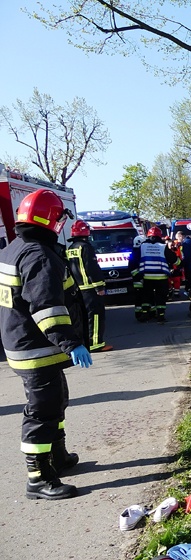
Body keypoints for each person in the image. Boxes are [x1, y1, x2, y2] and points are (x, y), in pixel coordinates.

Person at [0, 189, 92, 500]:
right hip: (36, 348)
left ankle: (58, 456)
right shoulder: (39, 256)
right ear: (52, 219)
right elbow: (46, 307)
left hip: (24, 343)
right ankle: (38, 477)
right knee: (42, 411)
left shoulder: (14, 248)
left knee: (56, 400)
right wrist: (71, 342)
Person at [66, 219, 112, 352]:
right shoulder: (86, 247)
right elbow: (92, 268)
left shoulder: (71, 248)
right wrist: (99, 287)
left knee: (84, 317)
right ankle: (96, 343)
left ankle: (87, 342)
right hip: (90, 289)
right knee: (96, 316)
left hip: (78, 289)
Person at [132, 226, 179, 322]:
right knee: (160, 297)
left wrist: (137, 273)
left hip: (147, 277)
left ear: (148, 236)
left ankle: (145, 314)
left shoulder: (142, 246)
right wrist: (180, 263)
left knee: (146, 296)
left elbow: (134, 259)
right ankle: (160, 316)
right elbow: (173, 259)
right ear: (159, 236)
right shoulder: (163, 246)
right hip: (161, 277)